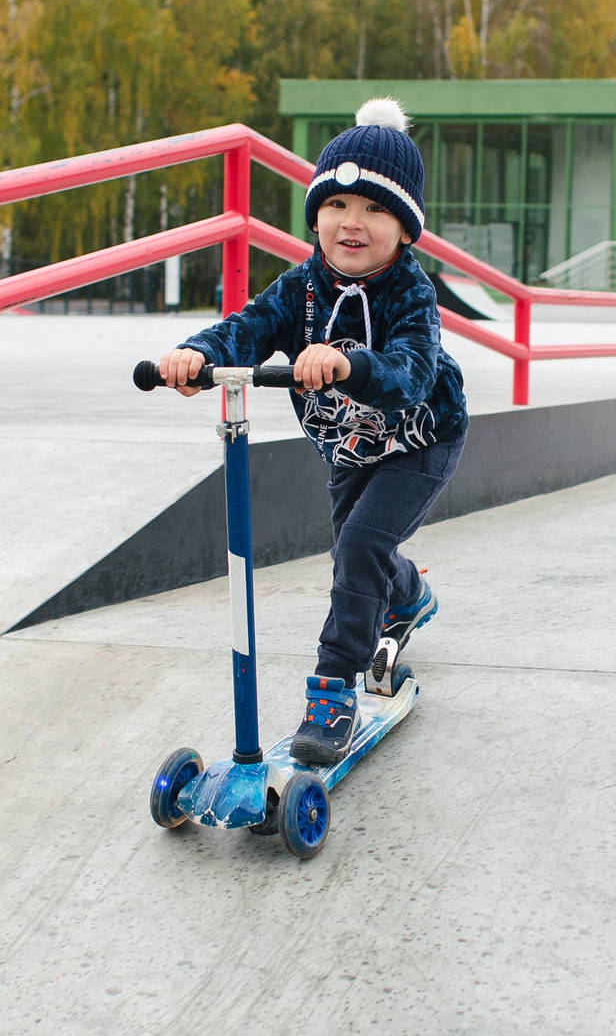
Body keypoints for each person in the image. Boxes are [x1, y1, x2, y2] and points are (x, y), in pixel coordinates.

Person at [153, 97, 467, 767]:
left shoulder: (411, 293)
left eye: (376, 208)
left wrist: (348, 363)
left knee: (359, 544)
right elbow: (245, 329)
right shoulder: (298, 290)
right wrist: (196, 355)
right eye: (337, 204)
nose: (353, 221)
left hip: (421, 438)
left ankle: (333, 688)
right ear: (316, 215)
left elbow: (412, 373)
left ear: (406, 228)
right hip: (350, 447)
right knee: (358, 551)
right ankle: (408, 594)